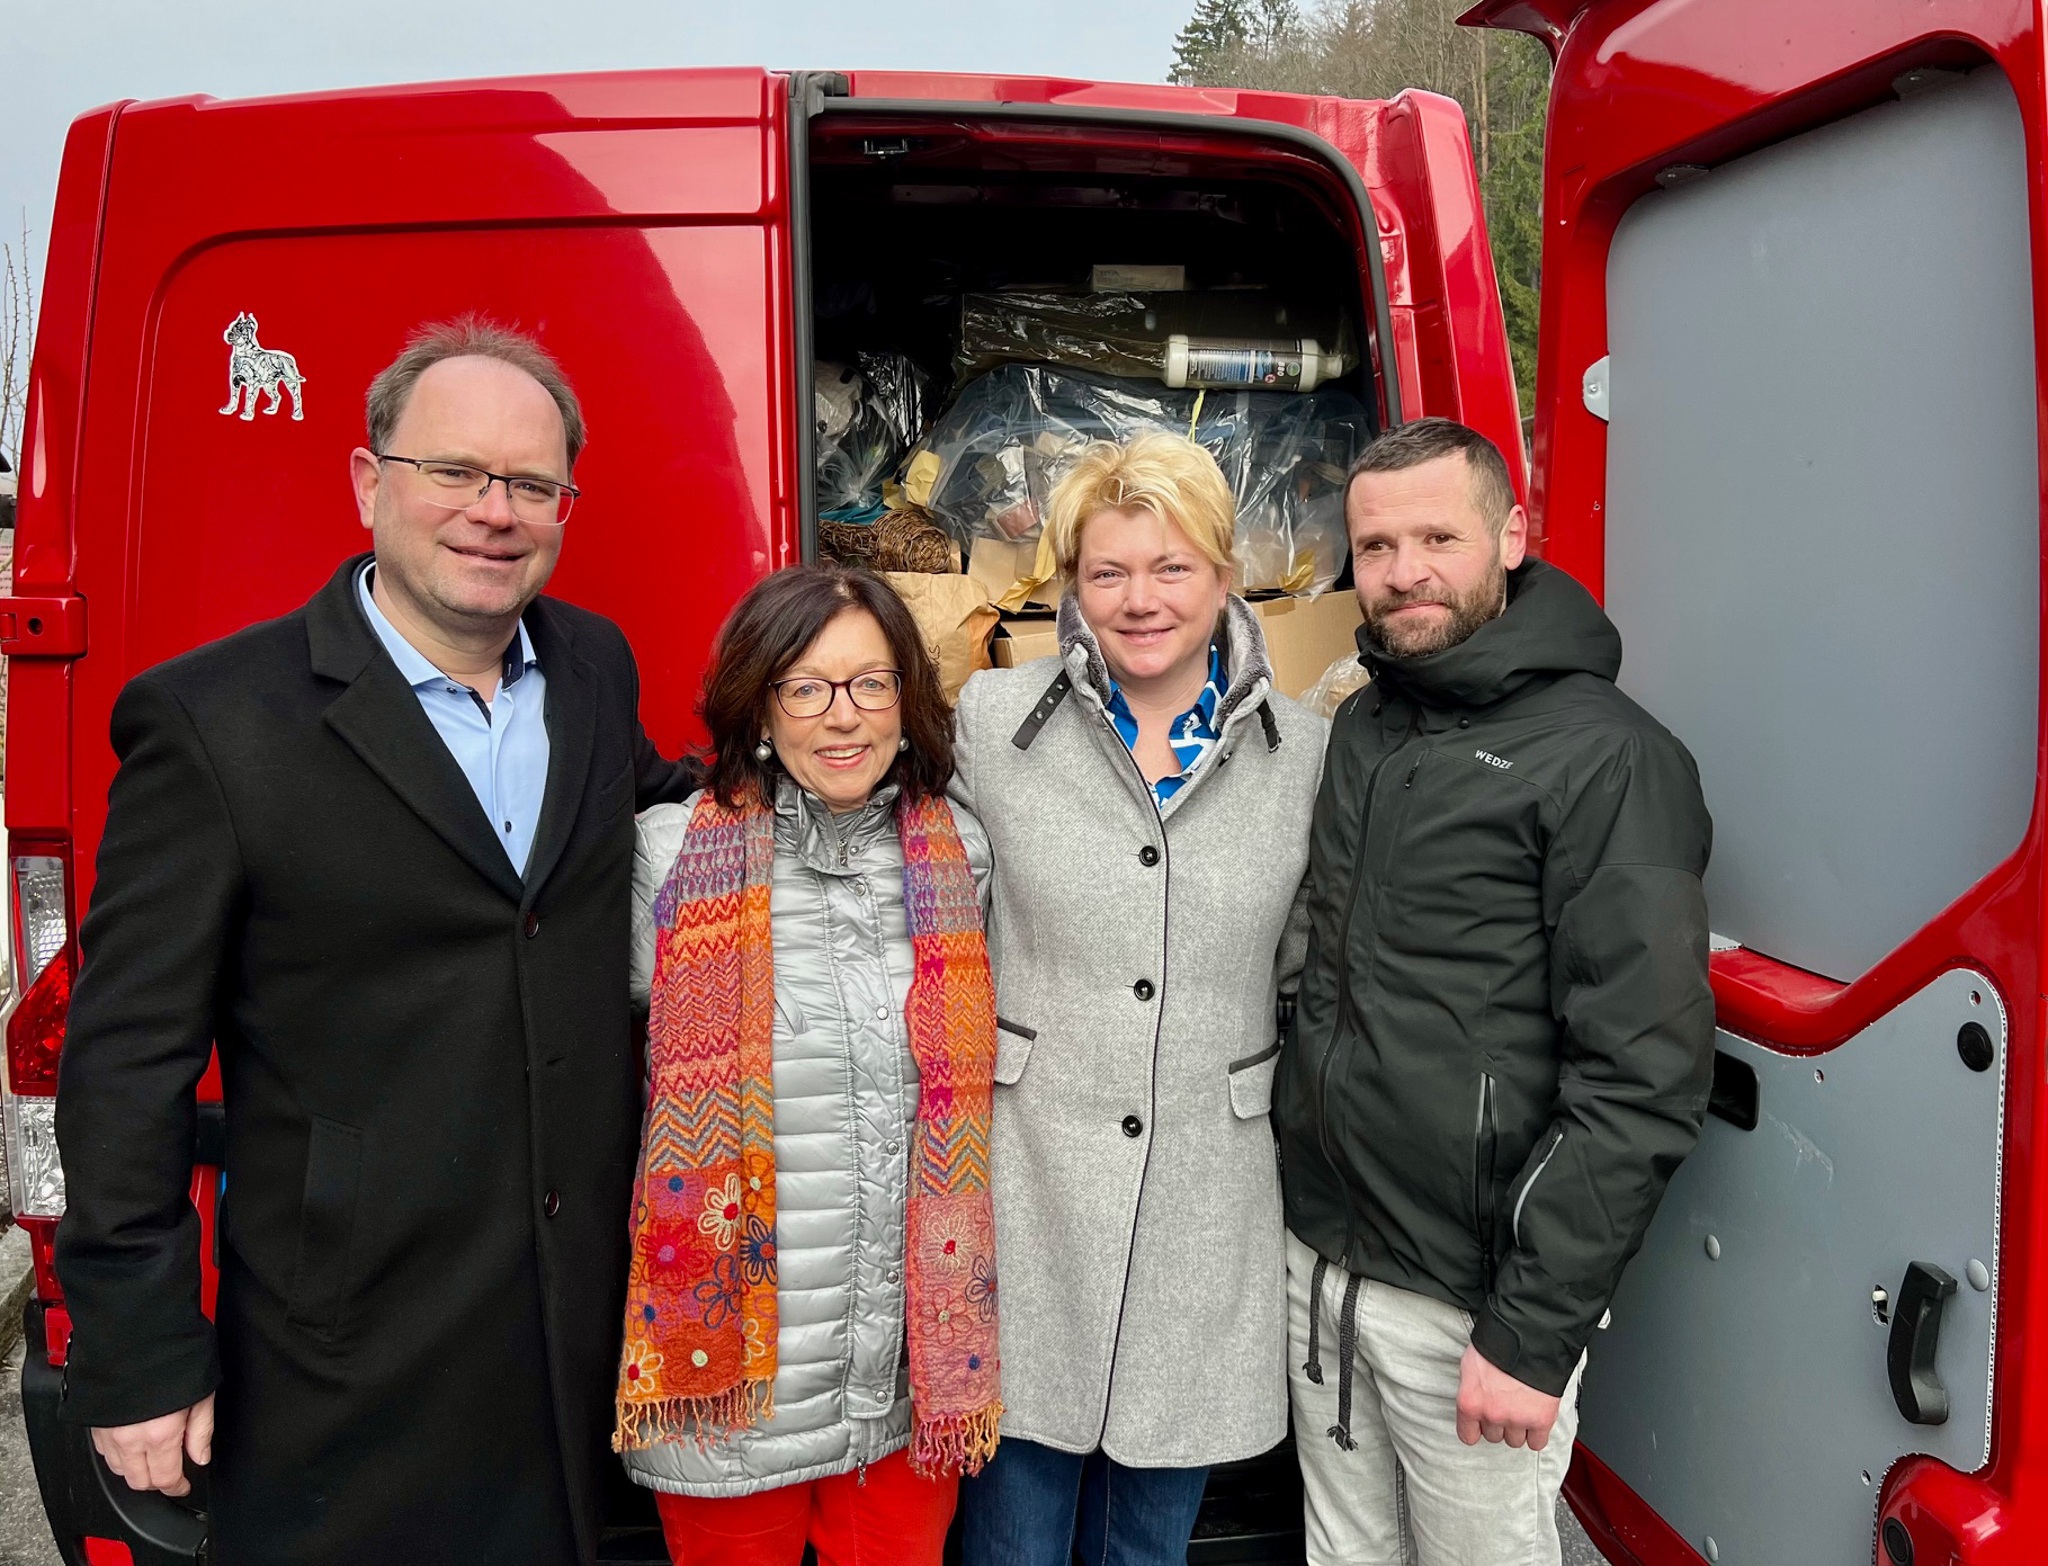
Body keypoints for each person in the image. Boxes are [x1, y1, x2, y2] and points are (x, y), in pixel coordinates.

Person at [53, 319, 699, 1565]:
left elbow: (654, 802)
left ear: (565, 504)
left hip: (578, 1324)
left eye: (529, 483)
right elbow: (124, 1060)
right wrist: (134, 1351)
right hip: (347, 1354)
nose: (493, 511)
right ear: (368, 483)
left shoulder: (590, 666)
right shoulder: (213, 723)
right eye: (454, 472)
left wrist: (854, 785)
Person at [1274, 417, 1715, 1566]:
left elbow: (1643, 1077)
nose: (1401, 570)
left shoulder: (1609, 760)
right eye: (1375, 545)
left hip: (1467, 1308)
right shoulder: (1367, 723)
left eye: (1436, 536)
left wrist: (1528, 1335)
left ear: (1509, 536)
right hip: (1324, 1268)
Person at [949, 431, 1327, 1566]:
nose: (1139, 599)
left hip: (1203, 1205)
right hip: (1029, 1193)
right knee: (1009, 1542)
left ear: (1222, 573)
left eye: (1171, 568)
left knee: (1147, 1551)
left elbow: (1307, 967)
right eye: (1106, 572)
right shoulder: (990, 724)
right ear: (1069, 586)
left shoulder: (1305, 755)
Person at [617, 563, 1002, 1566]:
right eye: (806, 687)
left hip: (906, 1385)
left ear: (907, 702)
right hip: (727, 1394)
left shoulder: (959, 853)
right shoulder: (663, 858)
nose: (844, 718)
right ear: (758, 706)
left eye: (871, 684)